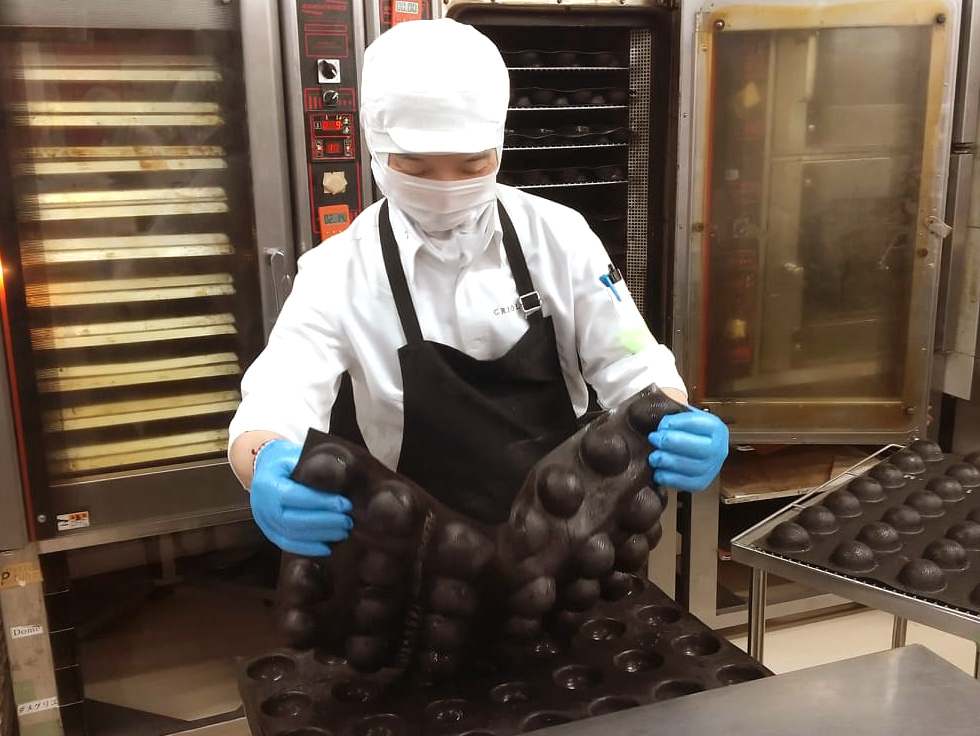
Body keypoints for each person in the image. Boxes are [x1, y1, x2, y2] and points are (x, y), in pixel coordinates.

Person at [228, 18, 728, 557]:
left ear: (499, 146)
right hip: (420, 549)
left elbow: (629, 353)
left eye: (471, 165)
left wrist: (674, 416)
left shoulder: (559, 237)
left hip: (561, 539)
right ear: (375, 151)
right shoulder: (338, 271)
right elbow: (278, 396)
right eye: (416, 167)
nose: (446, 188)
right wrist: (265, 462)